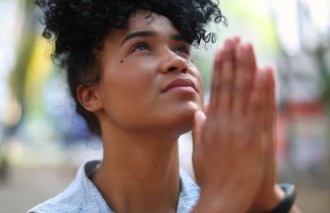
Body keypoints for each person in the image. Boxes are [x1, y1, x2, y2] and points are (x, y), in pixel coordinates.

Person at [29, 0, 300, 212]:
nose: (177, 61)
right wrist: (218, 203)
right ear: (91, 95)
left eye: (181, 48)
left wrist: (268, 200)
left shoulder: (241, 202)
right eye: (141, 47)